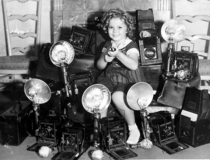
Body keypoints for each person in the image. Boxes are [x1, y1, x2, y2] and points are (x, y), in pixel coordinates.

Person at [96, 8, 146, 145]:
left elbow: (134, 65)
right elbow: (99, 66)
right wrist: (105, 59)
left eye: (119, 27)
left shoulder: (130, 45)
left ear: (127, 29)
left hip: (128, 79)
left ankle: (133, 128)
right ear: (106, 29)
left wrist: (118, 54)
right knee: (101, 94)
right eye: (111, 27)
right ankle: (103, 129)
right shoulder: (107, 44)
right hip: (110, 77)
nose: (115, 31)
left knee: (117, 96)